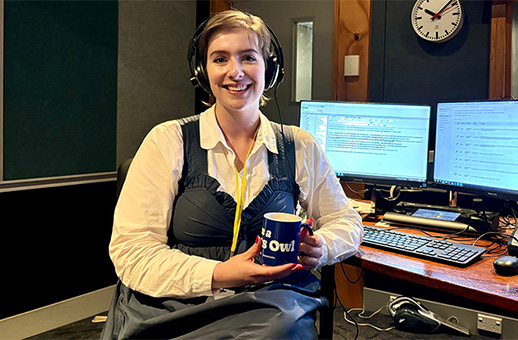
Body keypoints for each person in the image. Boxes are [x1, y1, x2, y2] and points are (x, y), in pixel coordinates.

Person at [101, 9, 363, 340]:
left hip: (268, 306)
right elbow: (132, 249)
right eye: (220, 59)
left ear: (270, 68)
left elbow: (347, 220)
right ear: (202, 71)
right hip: (175, 303)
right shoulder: (166, 140)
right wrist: (220, 273)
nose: (235, 72)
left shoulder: (301, 146)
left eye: (248, 58)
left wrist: (321, 247)